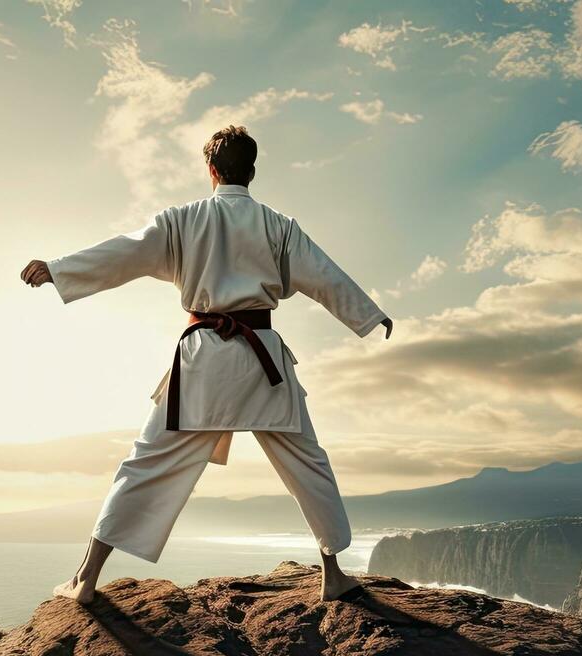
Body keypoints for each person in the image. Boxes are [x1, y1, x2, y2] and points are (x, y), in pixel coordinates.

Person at [21, 125, 392, 604]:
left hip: (203, 363)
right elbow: (324, 276)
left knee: (145, 465)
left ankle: (85, 579)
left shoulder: (182, 220)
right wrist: (369, 314)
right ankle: (334, 574)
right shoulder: (279, 226)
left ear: (212, 170)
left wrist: (60, 269)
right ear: (252, 171)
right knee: (308, 464)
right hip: (263, 363)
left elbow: (125, 251)